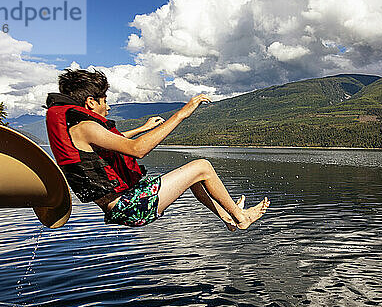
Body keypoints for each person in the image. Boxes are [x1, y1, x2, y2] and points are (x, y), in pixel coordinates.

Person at [45, 68, 270, 230]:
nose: (109, 106)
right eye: (105, 100)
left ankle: (228, 217)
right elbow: (137, 150)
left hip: (124, 204)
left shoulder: (76, 129)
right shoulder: (86, 127)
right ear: (91, 102)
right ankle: (240, 218)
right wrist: (182, 113)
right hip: (129, 206)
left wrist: (143, 128)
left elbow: (114, 144)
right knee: (202, 166)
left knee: (193, 178)